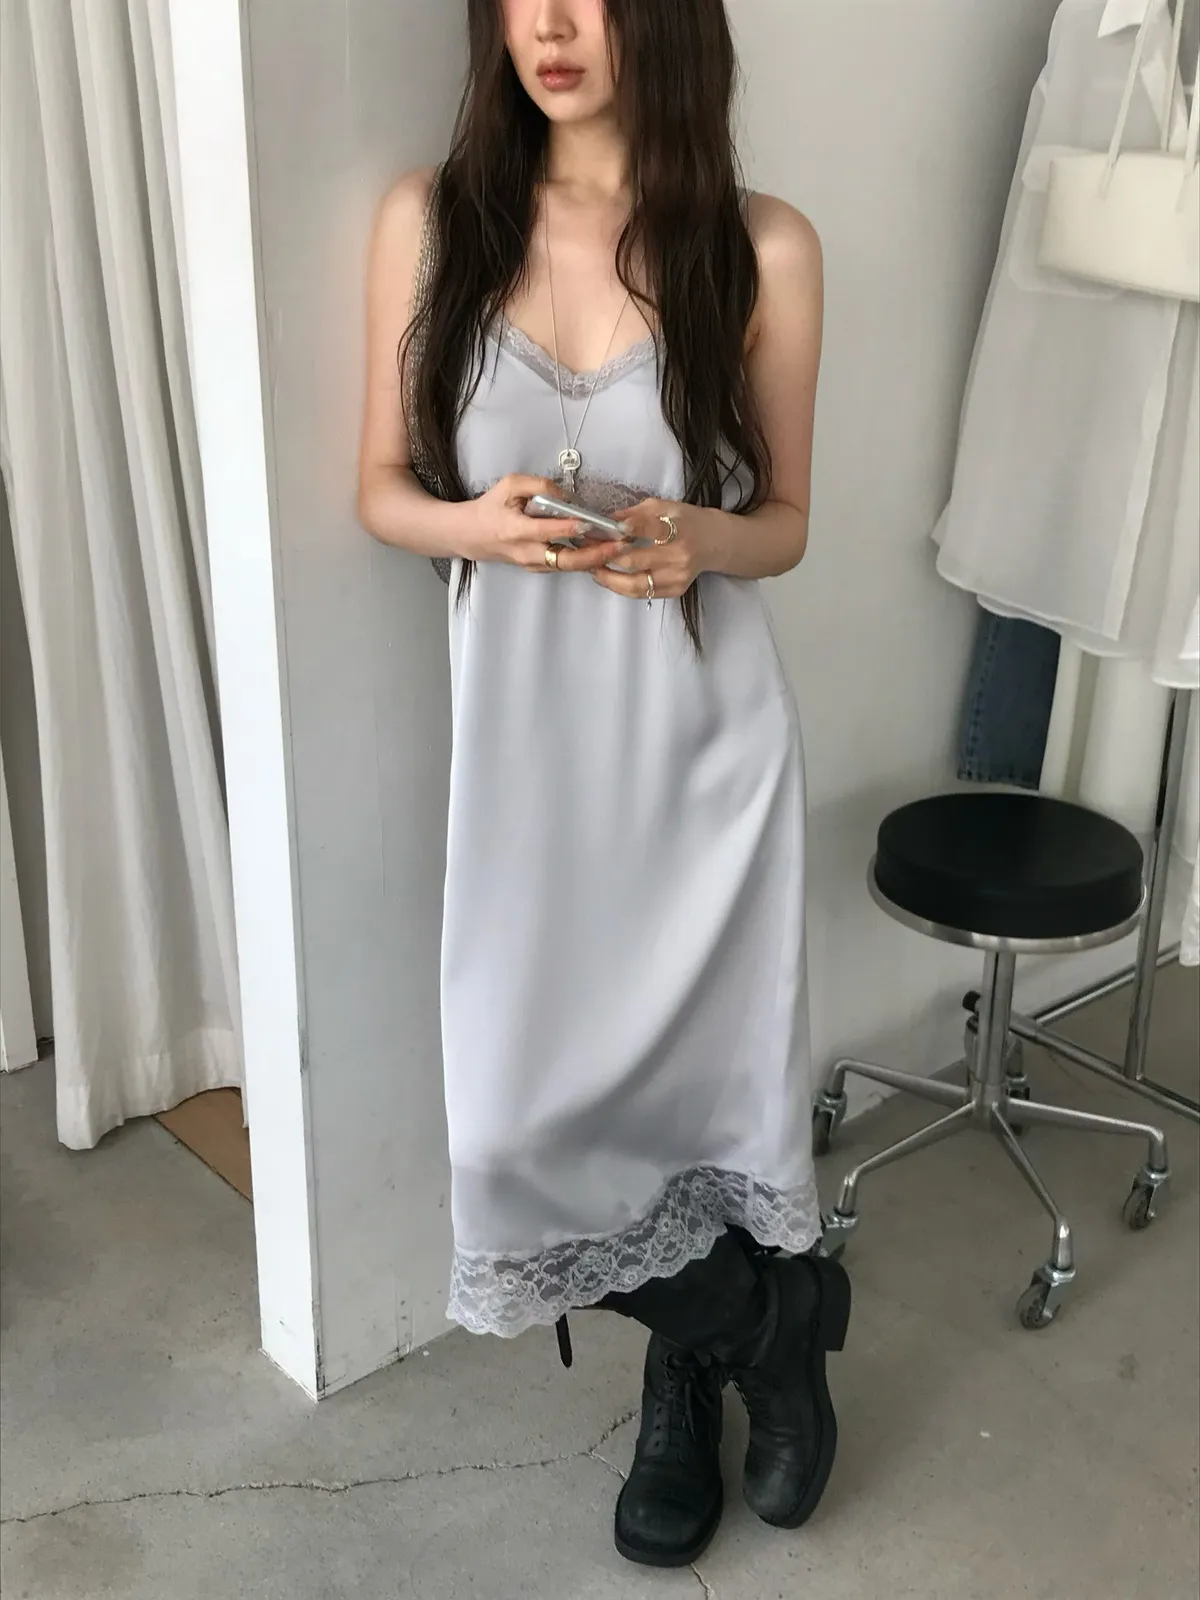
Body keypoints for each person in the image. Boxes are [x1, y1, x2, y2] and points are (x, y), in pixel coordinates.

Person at [357, 0, 849, 1569]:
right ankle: (767, 1326)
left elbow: (786, 522)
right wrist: (478, 528)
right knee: (514, 1134)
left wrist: (700, 538)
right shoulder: (434, 221)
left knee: (698, 1108)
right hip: (527, 778)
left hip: (702, 761)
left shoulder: (762, 246)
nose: (553, 24)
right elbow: (381, 490)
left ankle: (679, 1383)